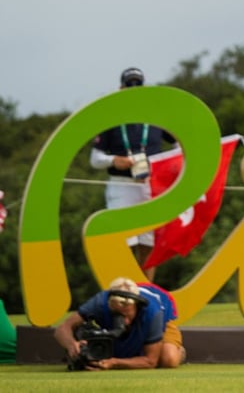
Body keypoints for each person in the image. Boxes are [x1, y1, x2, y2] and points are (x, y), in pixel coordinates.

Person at [90, 68, 177, 281]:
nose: (134, 88)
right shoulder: (111, 118)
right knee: (122, 241)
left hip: (151, 185)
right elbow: (95, 158)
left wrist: (167, 165)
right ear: (122, 88)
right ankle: (125, 290)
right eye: (130, 85)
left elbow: (179, 146)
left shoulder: (157, 118)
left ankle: (145, 291)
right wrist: (114, 160)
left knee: (149, 243)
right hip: (122, 185)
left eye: (138, 84)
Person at [54, 277, 184, 370]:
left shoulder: (153, 312)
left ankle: (180, 352)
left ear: (136, 307)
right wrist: (72, 345)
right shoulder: (99, 303)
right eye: (118, 314)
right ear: (110, 305)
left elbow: (151, 362)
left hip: (163, 321)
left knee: (168, 359)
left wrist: (114, 363)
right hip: (115, 330)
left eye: (128, 314)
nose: (125, 321)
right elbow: (62, 328)